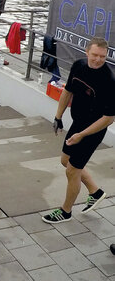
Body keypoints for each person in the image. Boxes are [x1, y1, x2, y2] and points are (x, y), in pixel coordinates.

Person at [43, 37, 113, 223]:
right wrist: (58, 117)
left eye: (102, 57)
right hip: (78, 123)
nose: (98, 60)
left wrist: (82, 135)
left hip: (94, 129)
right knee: (65, 160)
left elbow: (109, 118)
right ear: (87, 52)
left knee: (73, 169)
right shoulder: (79, 66)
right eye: (95, 55)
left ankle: (66, 212)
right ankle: (95, 192)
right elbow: (68, 91)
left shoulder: (109, 80)